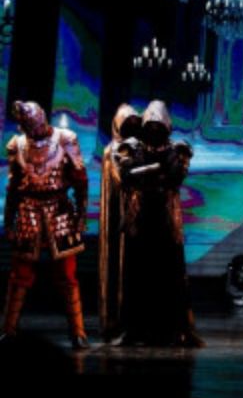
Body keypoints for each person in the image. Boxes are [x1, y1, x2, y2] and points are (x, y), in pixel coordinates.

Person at [0, 101, 89, 349]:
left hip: (59, 211)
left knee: (67, 274)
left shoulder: (65, 139)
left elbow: (80, 180)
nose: (36, 129)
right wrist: (9, 220)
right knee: (20, 274)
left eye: (37, 124)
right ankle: (8, 329)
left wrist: (81, 216)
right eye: (30, 126)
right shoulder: (17, 144)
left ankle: (78, 332)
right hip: (28, 211)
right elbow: (13, 186)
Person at [116, 100, 204, 347]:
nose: (154, 129)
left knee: (168, 274)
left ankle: (171, 330)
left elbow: (175, 177)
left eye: (158, 125)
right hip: (141, 216)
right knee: (138, 275)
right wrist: (152, 171)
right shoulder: (132, 148)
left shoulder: (178, 149)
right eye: (150, 125)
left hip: (165, 217)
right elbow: (126, 177)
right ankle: (135, 330)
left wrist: (150, 170)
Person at [98, 103, 142, 342]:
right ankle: (116, 322)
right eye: (127, 125)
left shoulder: (139, 147)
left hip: (138, 216)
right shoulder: (113, 150)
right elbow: (122, 178)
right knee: (116, 266)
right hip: (118, 216)